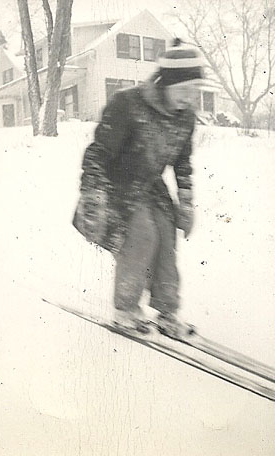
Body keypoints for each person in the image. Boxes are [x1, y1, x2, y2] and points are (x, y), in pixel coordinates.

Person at [74, 38, 205, 339]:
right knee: (142, 235)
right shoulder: (128, 104)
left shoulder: (184, 118)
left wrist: (185, 200)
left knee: (166, 232)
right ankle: (125, 308)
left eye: (194, 91)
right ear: (165, 84)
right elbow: (97, 153)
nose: (189, 98)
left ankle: (167, 310)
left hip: (149, 187)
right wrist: (93, 197)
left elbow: (182, 161)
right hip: (115, 185)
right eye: (183, 90)